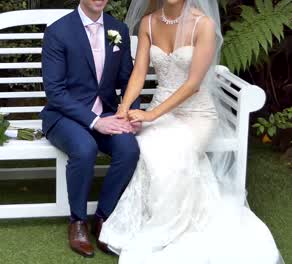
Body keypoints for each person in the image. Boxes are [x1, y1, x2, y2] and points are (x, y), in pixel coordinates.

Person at [99, 0, 284, 263]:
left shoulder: (203, 25)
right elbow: (139, 72)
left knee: (174, 154)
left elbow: (194, 84)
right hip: (162, 107)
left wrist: (150, 115)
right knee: (149, 151)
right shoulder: (148, 23)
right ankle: (154, 220)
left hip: (196, 114)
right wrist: (125, 106)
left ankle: (169, 229)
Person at [40, 0, 141, 258]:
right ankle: (78, 222)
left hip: (108, 112)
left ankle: (104, 217)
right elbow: (55, 92)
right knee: (85, 148)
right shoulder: (58, 31)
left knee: (129, 148)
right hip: (64, 116)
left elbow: (127, 79)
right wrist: (96, 121)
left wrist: (132, 112)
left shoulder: (118, 29)